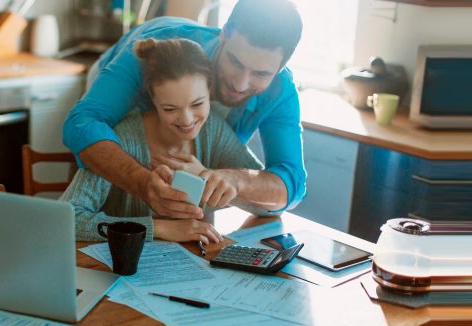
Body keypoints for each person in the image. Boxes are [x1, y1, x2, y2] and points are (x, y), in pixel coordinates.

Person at [62, 0, 306, 220]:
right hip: (118, 84)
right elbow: (82, 124)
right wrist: (142, 182)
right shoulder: (160, 50)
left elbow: (292, 186)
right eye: (235, 61)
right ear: (225, 34)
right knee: (100, 184)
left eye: (261, 74)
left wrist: (236, 179)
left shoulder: (282, 92)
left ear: (281, 67)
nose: (239, 84)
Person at [60, 38, 270, 243]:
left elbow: (266, 205)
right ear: (153, 99)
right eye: (170, 109)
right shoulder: (121, 138)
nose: (187, 121)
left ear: (209, 90)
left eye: (197, 104)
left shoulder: (212, 130)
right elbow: (67, 219)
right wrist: (159, 228)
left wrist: (223, 181)